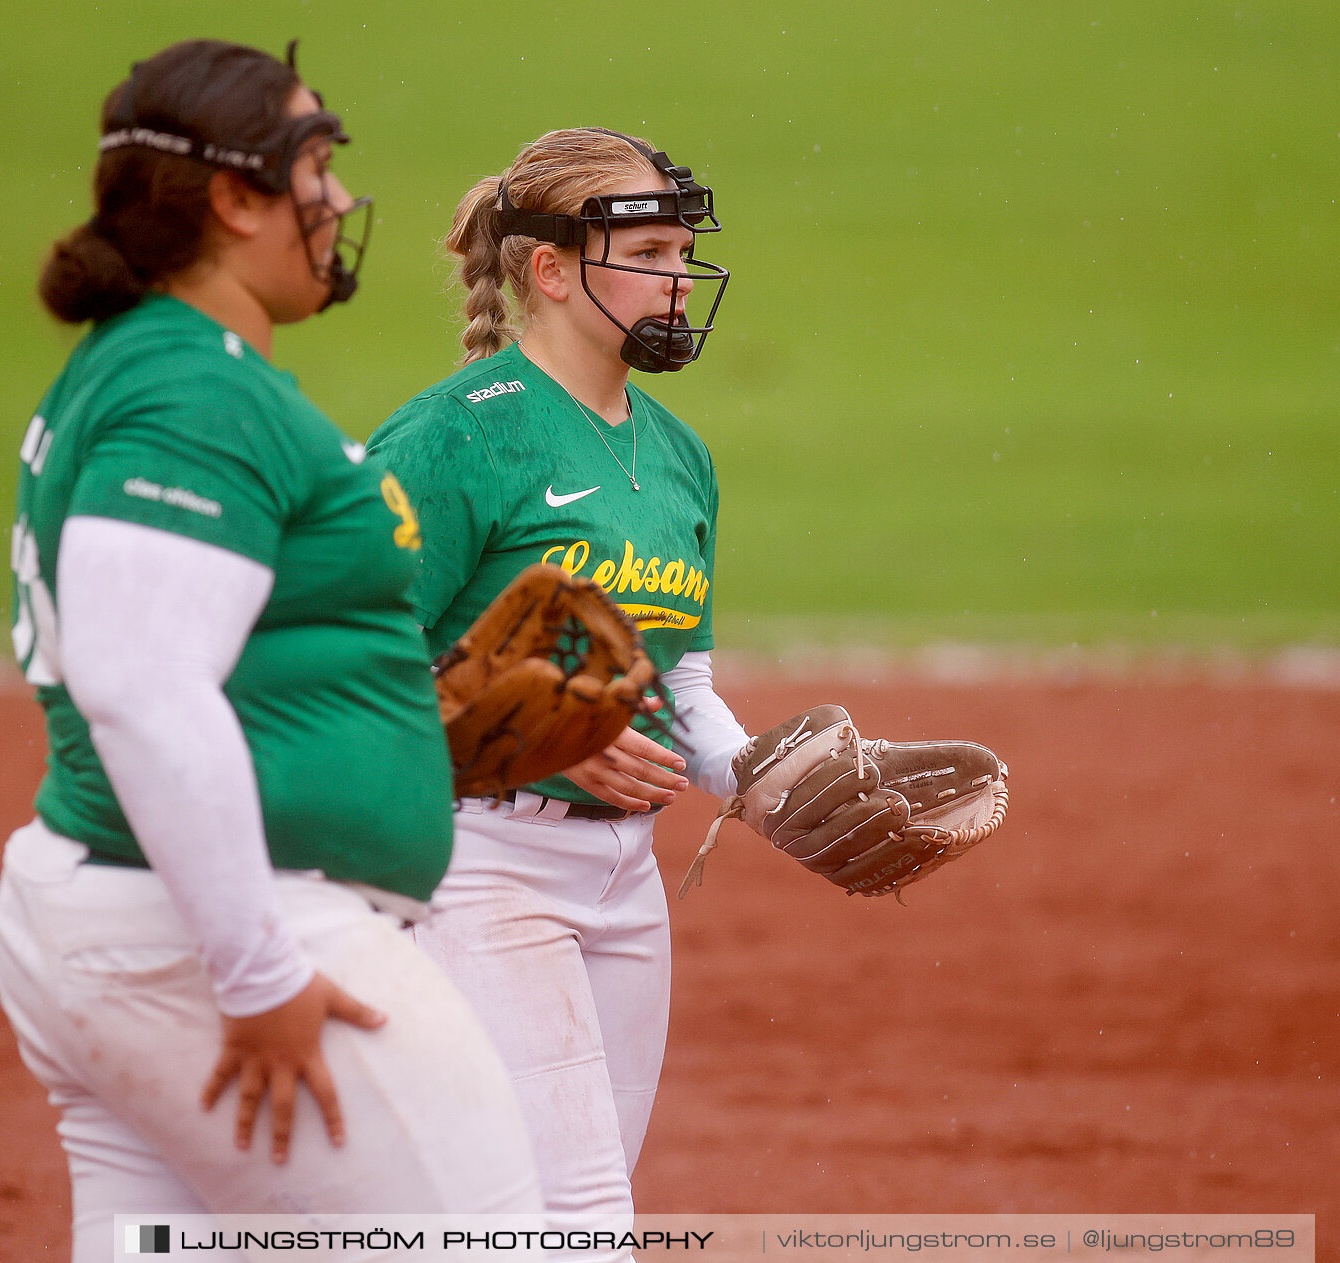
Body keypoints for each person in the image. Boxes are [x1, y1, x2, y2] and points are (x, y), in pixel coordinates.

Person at [0, 39, 541, 1259]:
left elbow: (216, 644)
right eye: (315, 164)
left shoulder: (153, 367)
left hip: (131, 919)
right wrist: (253, 970)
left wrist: (398, 708)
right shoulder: (194, 392)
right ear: (233, 198)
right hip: (222, 934)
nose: (338, 199)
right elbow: (137, 686)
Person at [367, 128, 754, 1255]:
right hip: (476, 862)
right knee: (571, 1221)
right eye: (652, 249)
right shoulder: (455, 436)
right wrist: (533, 735)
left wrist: (770, 789)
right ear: (549, 269)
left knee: (544, 1209)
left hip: (628, 883)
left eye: (686, 249)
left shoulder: (679, 455)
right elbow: (343, 650)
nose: (681, 275)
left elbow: (683, 687)